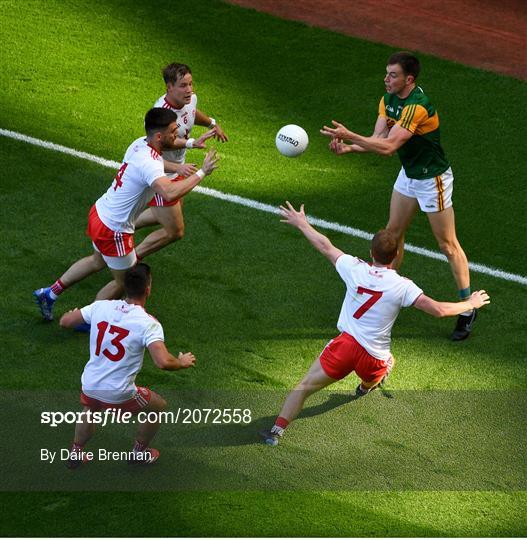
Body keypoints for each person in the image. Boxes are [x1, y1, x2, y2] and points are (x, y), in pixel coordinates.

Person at [259, 202, 490, 446]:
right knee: (385, 364)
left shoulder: (354, 268)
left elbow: (325, 246)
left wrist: (302, 223)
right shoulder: (402, 286)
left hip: (345, 347)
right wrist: (471, 303)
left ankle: (276, 432)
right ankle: (367, 385)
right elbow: (439, 310)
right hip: (375, 357)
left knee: (305, 386)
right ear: (397, 256)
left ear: (371, 252)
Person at [320, 51, 475, 341]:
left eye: (393, 75)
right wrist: (350, 148)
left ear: (409, 79)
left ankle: (467, 309)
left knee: (447, 245)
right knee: (393, 233)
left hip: (432, 180)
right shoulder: (387, 99)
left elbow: (390, 147)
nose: (386, 79)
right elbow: (379, 140)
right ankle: (386, 291)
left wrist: (350, 136)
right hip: (409, 175)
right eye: (386, 73)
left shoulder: (418, 106)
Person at [33, 107, 220, 322]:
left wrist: (178, 165)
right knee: (127, 282)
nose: (176, 135)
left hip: (100, 212)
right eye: (172, 131)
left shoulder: (140, 144)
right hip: (114, 230)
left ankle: (50, 293)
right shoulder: (150, 163)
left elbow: (155, 164)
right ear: (159, 136)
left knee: (96, 261)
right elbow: (169, 192)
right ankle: (87, 320)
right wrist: (202, 172)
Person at [59, 263, 195, 467]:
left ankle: (76, 452)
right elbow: (163, 362)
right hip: (118, 392)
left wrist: (73, 313)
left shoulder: (101, 306)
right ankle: (138, 453)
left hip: (91, 383)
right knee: (157, 407)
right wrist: (182, 363)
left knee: (90, 409)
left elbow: (66, 321)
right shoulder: (148, 323)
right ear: (148, 289)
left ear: (124, 286)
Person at [133, 62, 229, 261]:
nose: (189, 90)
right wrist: (191, 143)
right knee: (174, 231)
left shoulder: (190, 99)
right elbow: (162, 145)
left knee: (172, 213)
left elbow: (192, 113)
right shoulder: (159, 114)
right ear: (169, 87)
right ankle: (130, 259)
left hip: (178, 170)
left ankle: (125, 224)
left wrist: (212, 123)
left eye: (191, 84)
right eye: (183, 86)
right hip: (161, 173)